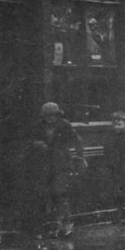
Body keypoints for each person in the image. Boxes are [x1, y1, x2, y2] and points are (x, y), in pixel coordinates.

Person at [37, 102, 86, 238]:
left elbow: (77, 140)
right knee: (50, 195)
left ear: (58, 115)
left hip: (62, 164)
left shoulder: (64, 125)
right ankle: (55, 225)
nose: (50, 118)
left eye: (53, 115)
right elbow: (31, 140)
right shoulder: (40, 126)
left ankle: (67, 224)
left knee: (61, 194)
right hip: (46, 165)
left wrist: (80, 157)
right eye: (47, 116)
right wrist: (38, 144)